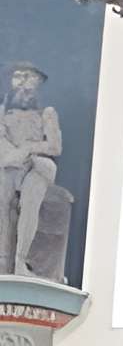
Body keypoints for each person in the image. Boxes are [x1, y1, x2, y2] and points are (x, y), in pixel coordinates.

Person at [0, 61, 61, 277]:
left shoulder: (47, 113)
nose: (24, 83)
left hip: (38, 165)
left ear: (38, 83)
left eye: (29, 77)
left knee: (31, 197)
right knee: (2, 195)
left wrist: (28, 149)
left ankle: (20, 261)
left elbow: (54, 146)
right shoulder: (2, 112)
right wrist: (12, 155)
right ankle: (2, 261)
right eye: (18, 77)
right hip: (11, 165)